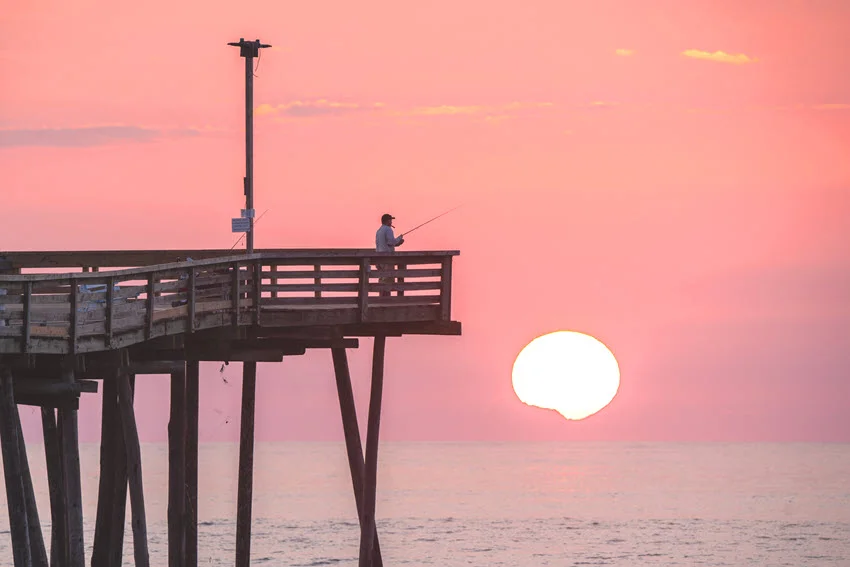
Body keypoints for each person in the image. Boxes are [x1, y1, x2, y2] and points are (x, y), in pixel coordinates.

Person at [375, 213, 404, 295]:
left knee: (382, 279)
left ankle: (381, 298)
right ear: (388, 221)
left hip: (379, 258)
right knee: (388, 280)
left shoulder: (379, 231)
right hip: (387, 259)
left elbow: (383, 244)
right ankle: (386, 299)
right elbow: (391, 242)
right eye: (390, 220)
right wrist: (399, 239)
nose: (391, 222)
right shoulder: (388, 229)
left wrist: (397, 242)